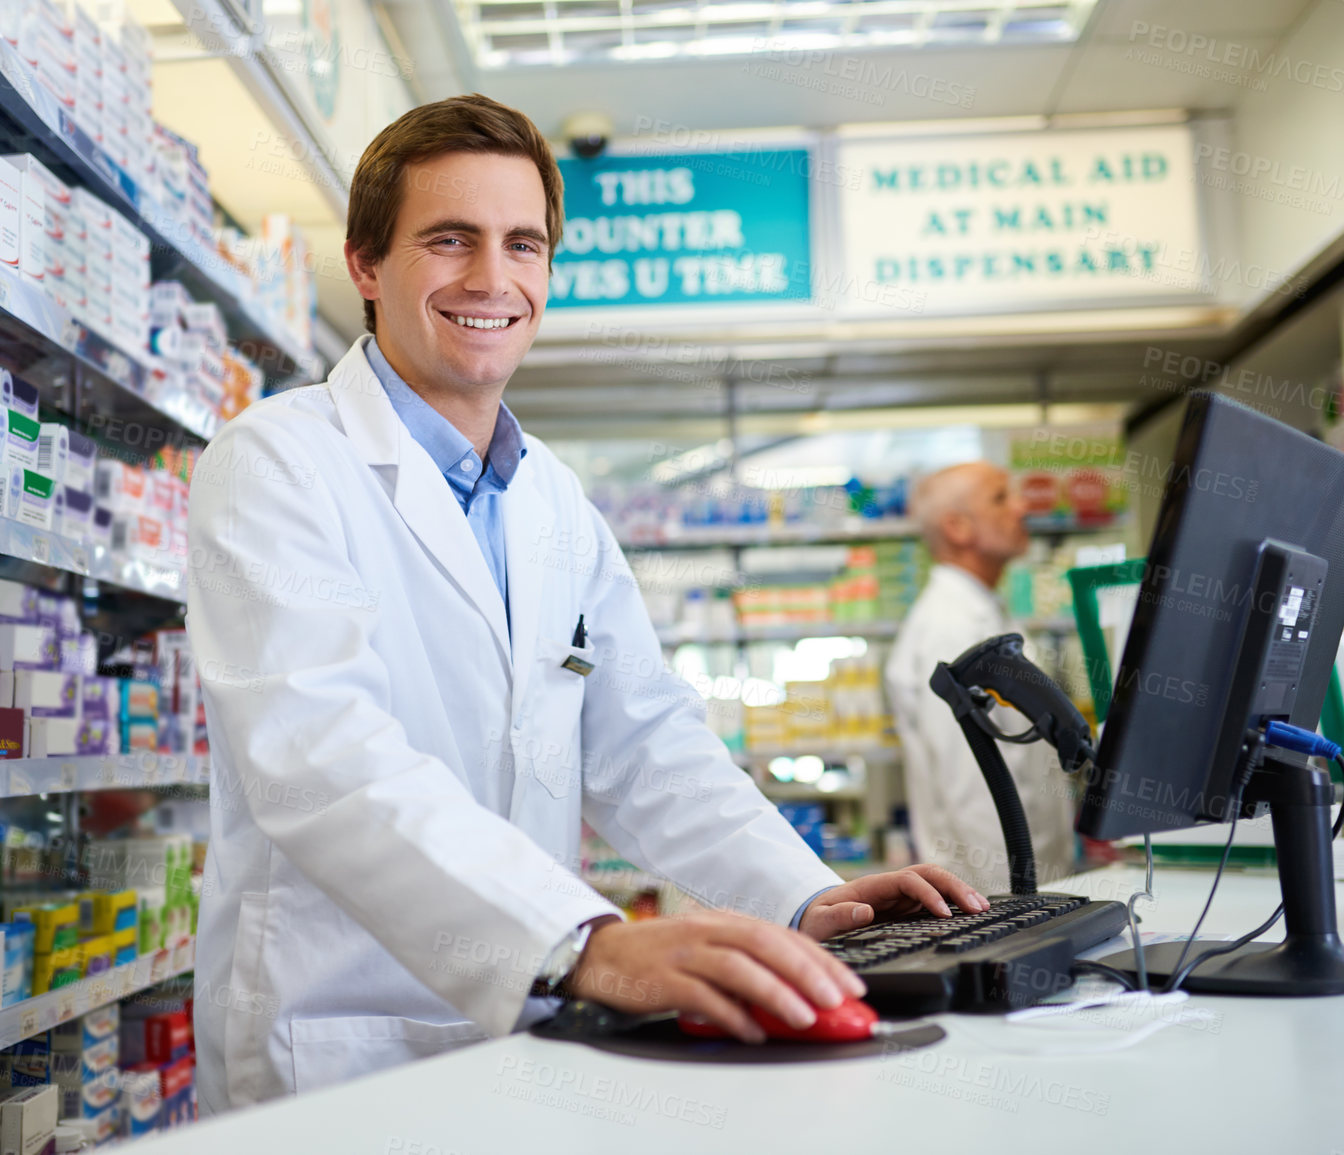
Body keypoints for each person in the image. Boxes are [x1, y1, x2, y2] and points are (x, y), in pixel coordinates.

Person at [187, 94, 984, 1114]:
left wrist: (797, 891)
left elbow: (643, 738)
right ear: (366, 266)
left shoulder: (552, 498)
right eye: (449, 240)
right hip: (338, 1046)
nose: (492, 278)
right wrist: (583, 942)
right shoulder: (278, 463)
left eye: (524, 244)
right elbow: (321, 758)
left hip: (530, 1030)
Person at [884, 462, 1077, 893]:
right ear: (957, 527)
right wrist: (1014, 910)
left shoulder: (985, 611)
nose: (1023, 507)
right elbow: (972, 790)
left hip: (1031, 888)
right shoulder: (949, 629)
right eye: (1001, 497)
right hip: (998, 895)